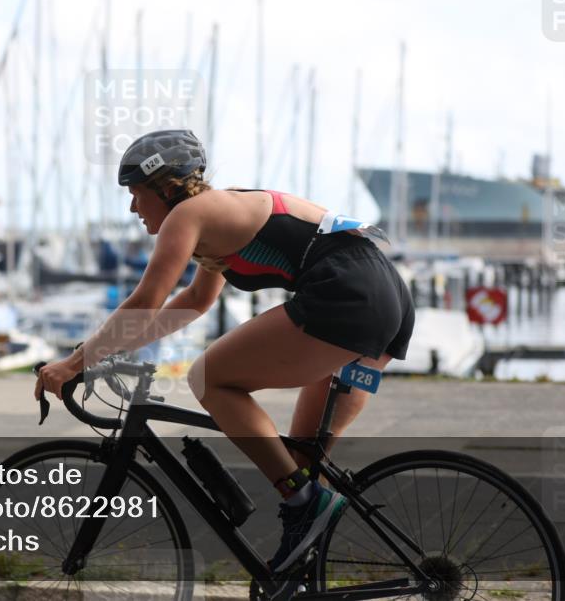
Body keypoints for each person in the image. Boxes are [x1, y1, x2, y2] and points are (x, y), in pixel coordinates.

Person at [35, 128, 414, 581]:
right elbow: (193, 302)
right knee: (303, 464)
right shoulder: (215, 215)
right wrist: (101, 352)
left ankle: (302, 502)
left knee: (210, 379)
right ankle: (303, 577)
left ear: (167, 187)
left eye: (136, 194)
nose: (133, 208)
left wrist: (75, 362)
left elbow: (146, 300)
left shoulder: (189, 214)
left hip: (348, 294)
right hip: (387, 297)